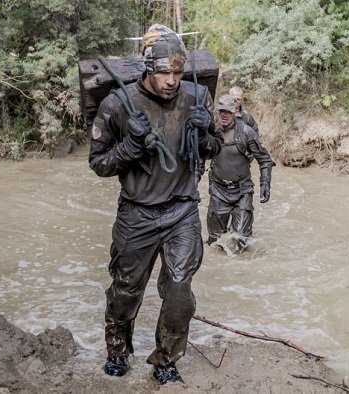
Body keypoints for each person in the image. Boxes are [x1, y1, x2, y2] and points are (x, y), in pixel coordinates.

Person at [88, 24, 222, 385]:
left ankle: (166, 358)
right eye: (165, 71)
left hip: (182, 209)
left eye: (178, 72)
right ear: (148, 68)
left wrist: (205, 132)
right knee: (125, 291)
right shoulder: (117, 105)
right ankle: (118, 351)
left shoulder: (197, 98)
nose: (172, 80)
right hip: (137, 212)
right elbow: (98, 164)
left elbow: (216, 148)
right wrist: (131, 148)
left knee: (180, 291)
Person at [205, 94, 274, 251]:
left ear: (235, 112)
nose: (224, 115)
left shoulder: (247, 132)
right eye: (221, 111)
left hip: (242, 191)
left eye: (228, 112)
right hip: (218, 190)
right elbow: (198, 157)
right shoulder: (211, 131)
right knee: (215, 243)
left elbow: (265, 159)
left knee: (241, 241)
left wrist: (265, 183)